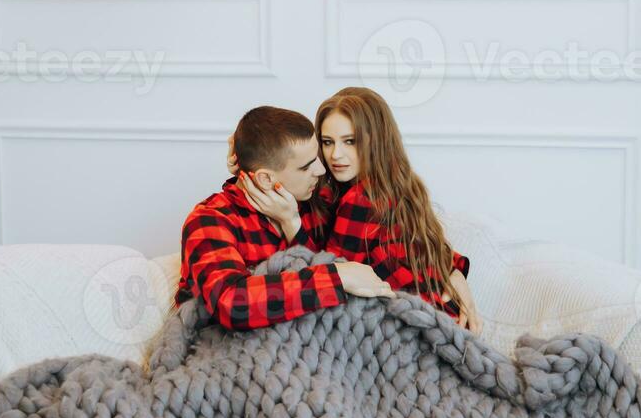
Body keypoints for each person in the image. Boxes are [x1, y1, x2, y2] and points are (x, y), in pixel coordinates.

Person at [234, 88, 481, 334]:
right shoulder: (399, 184)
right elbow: (424, 247)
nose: (335, 155)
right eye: (327, 142)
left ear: (377, 141)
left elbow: (328, 274)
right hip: (441, 319)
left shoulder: (361, 199)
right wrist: (454, 269)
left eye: (350, 141)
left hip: (417, 330)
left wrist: (290, 223)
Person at [175, 105, 395, 330]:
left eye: (317, 156)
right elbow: (232, 303)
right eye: (307, 166)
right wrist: (337, 276)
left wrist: (292, 223)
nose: (321, 170)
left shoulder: (313, 204)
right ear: (266, 179)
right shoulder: (212, 219)